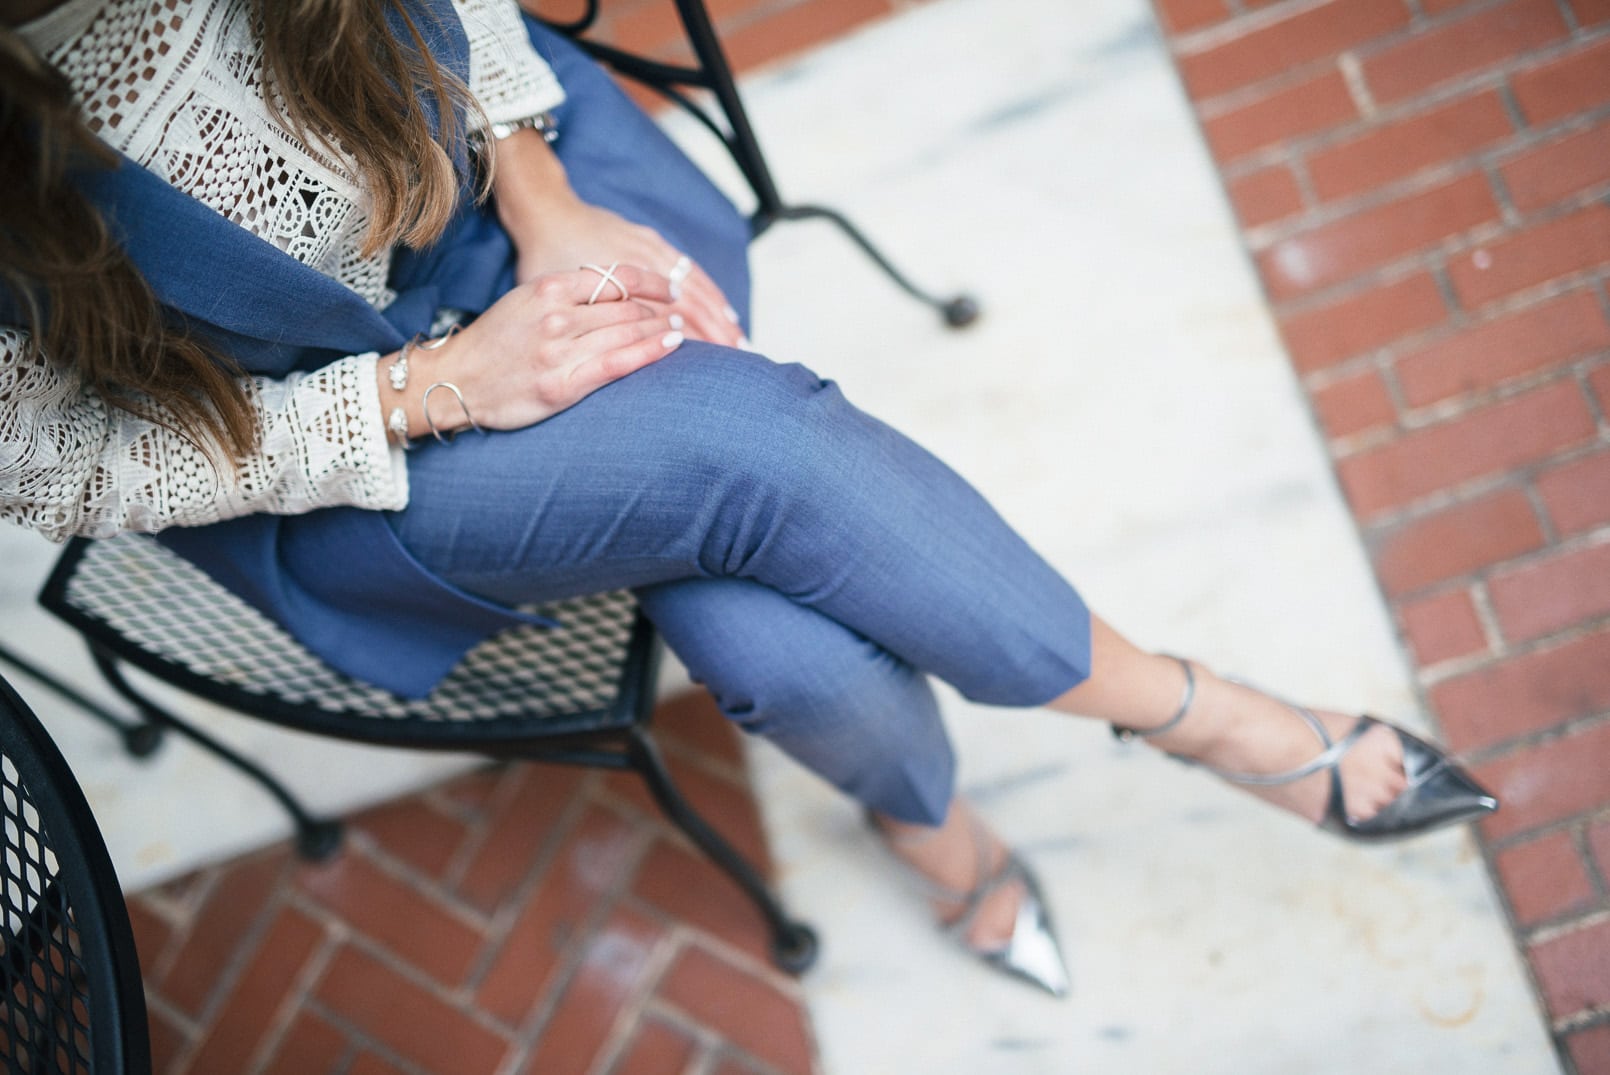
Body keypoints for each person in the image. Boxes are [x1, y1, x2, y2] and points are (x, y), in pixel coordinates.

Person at [0, 0, 1496, 997]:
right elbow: (47, 460)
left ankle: (937, 836)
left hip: (535, 203)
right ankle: (1202, 714)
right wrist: (430, 392)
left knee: (777, 639)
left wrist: (541, 197)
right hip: (320, 435)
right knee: (753, 455)